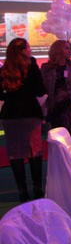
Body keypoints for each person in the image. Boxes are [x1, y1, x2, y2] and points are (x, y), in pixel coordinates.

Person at [0, 38, 46, 201]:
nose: (30, 49)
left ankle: (22, 191)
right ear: (23, 50)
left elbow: (1, 94)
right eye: (28, 47)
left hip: (10, 115)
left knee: (15, 154)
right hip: (30, 113)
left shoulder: (4, 68)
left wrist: (11, 95)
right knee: (34, 151)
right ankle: (37, 188)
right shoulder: (31, 65)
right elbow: (40, 90)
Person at [41, 40, 71, 143]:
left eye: (69, 48)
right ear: (58, 50)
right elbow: (44, 86)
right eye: (66, 48)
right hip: (55, 106)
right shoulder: (46, 67)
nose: (69, 51)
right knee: (58, 137)